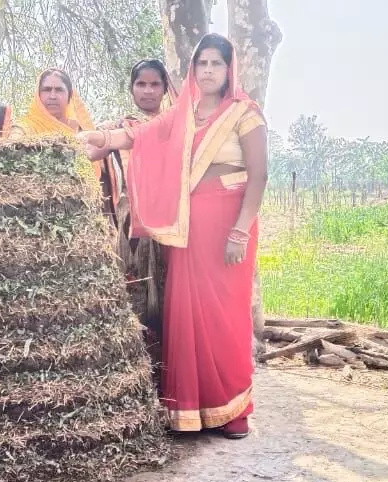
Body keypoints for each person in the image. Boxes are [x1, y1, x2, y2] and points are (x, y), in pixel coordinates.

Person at [77, 34, 267, 439]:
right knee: (186, 311)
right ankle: (192, 410)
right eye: (202, 63)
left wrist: (241, 231)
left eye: (217, 63)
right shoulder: (185, 113)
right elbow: (141, 135)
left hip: (228, 225)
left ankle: (234, 409)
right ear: (193, 70)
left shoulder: (244, 113)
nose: (209, 70)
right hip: (188, 226)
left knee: (225, 315)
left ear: (229, 69)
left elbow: (259, 176)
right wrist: (101, 139)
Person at [91, 59, 176, 380]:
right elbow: (90, 151)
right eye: (141, 84)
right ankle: (138, 378)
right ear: (132, 88)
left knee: (171, 301)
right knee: (135, 299)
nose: (148, 90)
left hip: (172, 227)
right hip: (130, 233)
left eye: (155, 84)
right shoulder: (119, 127)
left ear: (165, 89)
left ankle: (173, 380)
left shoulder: (176, 126)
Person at [14, 68, 96, 137]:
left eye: (59, 90)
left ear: (70, 96)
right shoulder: (27, 128)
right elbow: (15, 138)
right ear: (38, 96)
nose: (52, 96)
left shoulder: (82, 129)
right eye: (47, 90)